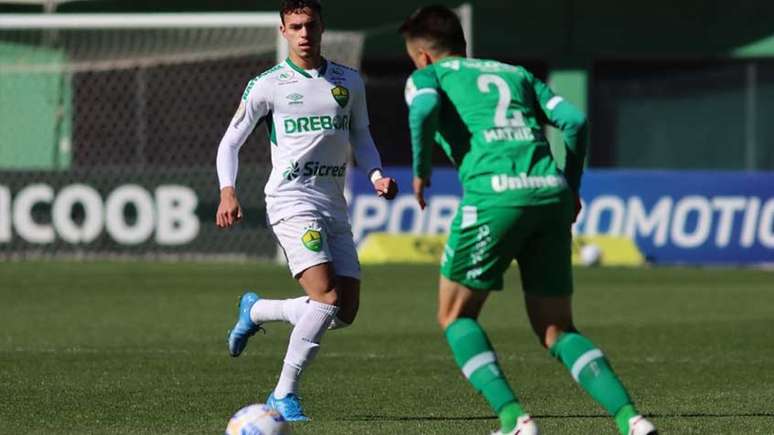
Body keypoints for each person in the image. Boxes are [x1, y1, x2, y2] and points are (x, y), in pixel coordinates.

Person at [399, 5, 657, 435]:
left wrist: (421, 172)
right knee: (557, 328)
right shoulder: (514, 73)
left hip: (494, 195)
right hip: (550, 193)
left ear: (423, 55)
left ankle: (514, 419)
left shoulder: (429, 76)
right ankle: (631, 419)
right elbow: (574, 121)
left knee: (455, 316)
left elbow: (423, 110)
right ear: (461, 44)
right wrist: (571, 187)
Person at [215, 0, 398, 422]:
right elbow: (230, 143)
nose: (303, 33)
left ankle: (257, 310)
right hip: (290, 200)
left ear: (322, 28)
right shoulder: (268, 84)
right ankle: (283, 394)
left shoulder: (348, 81)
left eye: (310, 25)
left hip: (333, 203)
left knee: (343, 310)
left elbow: (362, 135)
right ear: (282, 31)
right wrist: (228, 191)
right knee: (326, 296)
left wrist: (375, 176)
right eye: (295, 26)